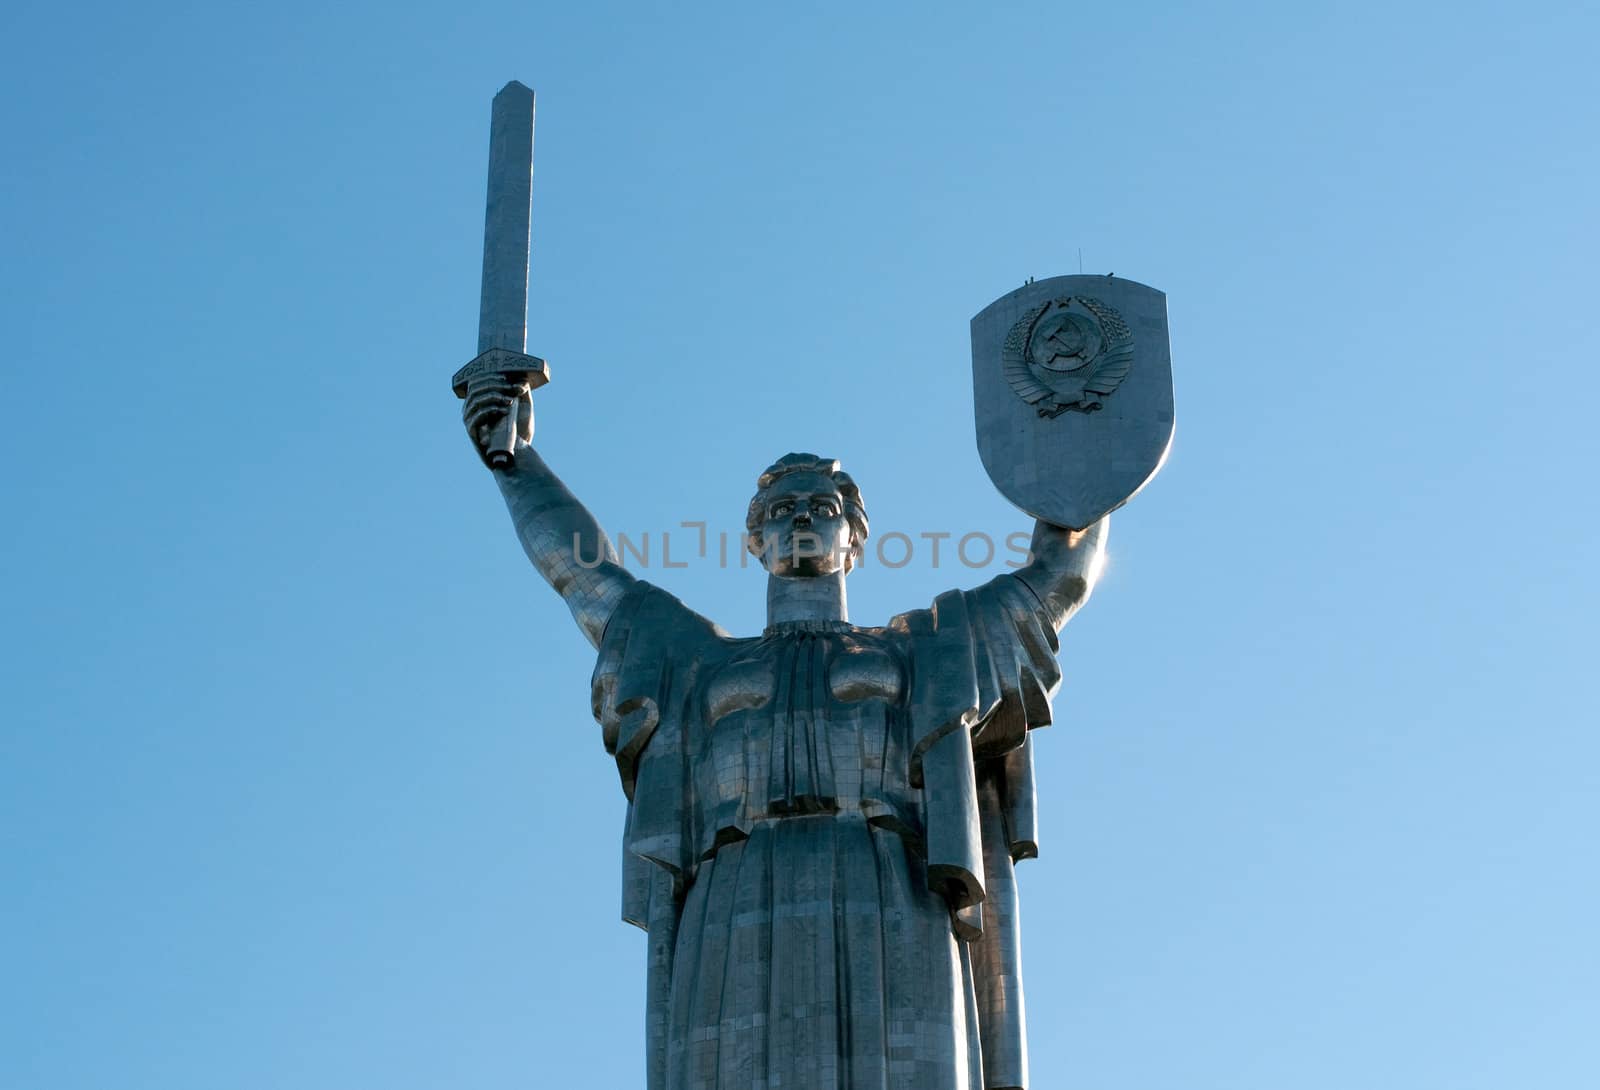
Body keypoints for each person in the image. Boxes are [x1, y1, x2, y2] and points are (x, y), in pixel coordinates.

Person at [464, 379, 1107, 1090]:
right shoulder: (697, 661)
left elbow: (1058, 579)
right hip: (735, 891)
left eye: (821, 508)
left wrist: (1084, 453)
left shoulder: (922, 649)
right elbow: (585, 576)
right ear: (754, 538)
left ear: (854, 536)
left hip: (888, 882)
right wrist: (517, 462)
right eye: (780, 509)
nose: (800, 517)